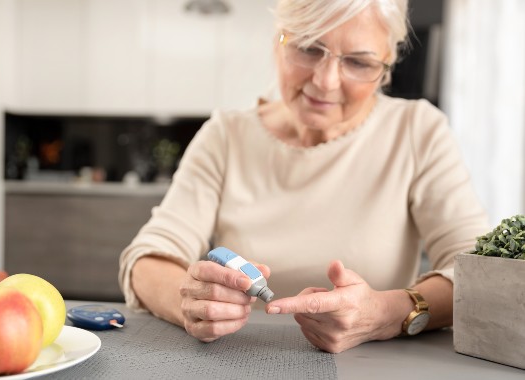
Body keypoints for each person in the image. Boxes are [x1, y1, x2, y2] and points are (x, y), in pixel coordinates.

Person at [119, 0, 489, 353]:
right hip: (243, 359)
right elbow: (146, 260)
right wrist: (188, 298)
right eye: (309, 48)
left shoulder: (418, 131)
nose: (325, 81)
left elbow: (478, 271)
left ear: (386, 66)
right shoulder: (226, 136)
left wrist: (387, 314)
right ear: (277, 40)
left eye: (359, 62)